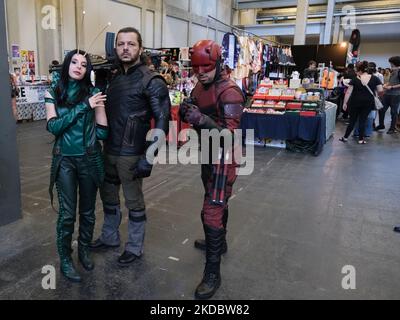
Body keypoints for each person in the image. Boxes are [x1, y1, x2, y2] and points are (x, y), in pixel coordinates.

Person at [89, 27, 171, 266]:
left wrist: (149, 156)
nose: (125, 48)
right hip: (109, 150)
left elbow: (163, 120)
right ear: (115, 48)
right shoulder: (114, 79)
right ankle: (109, 237)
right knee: (109, 198)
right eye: (121, 44)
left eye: (131, 44)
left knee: (134, 203)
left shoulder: (152, 80)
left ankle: (134, 247)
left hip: (132, 154)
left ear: (140, 48)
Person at [180, 40, 245, 299]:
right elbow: (199, 106)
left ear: (217, 63)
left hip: (225, 156)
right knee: (216, 200)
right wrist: (189, 108)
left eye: (205, 67)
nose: (200, 72)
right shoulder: (201, 83)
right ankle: (220, 242)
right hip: (209, 152)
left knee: (211, 211)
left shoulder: (230, 92)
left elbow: (229, 137)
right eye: (196, 68)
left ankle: (212, 274)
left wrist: (200, 118)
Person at [45, 49, 108, 282]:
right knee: (67, 214)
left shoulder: (94, 93)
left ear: (87, 70)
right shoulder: (53, 93)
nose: (79, 66)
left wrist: (99, 111)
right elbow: (53, 127)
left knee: (89, 212)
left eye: (84, 64)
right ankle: (65, 259)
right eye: (74, 62)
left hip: (90, 158)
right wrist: (85, 107)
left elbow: (102, 131)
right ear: (66, 64)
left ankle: (84, 250)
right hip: (64, 161)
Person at [339, 61, 383, 144]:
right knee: (363, 120)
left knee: (352, 120)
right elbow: (380, 90)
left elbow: (348, 92)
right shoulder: (375, 78)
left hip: (355, 102)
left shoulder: (355, 79)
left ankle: (345, 138)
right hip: (368, 102)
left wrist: (345, 103)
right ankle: (361, 139)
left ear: (359, 70)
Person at [376, 56, 400, 134]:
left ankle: (392, 128)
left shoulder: (399, 71)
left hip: (395, 95)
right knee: (381, 109)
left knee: (393, 112)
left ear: (394, 63)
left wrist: (392, 87)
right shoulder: (393, 71)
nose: (390, 64)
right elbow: (391, 81)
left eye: (391, 62)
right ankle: (381, 124)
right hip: (387, 93)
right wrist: (386, 85)